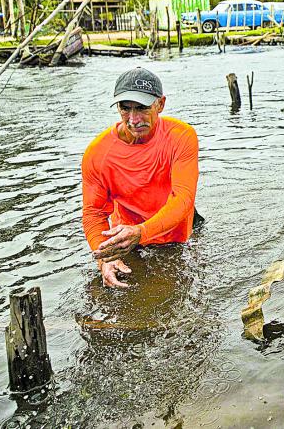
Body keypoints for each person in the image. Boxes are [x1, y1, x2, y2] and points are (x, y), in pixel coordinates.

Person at [82, 67, 199, 288]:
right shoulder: (97, 153)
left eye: (142, 108)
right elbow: (94, 213)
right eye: (125, 109)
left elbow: (183, 198)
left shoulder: (181, 136)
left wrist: (142, 231)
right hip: (127, 239)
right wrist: (104, 258)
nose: (134, 120)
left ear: (160, 104)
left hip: (174, 236)